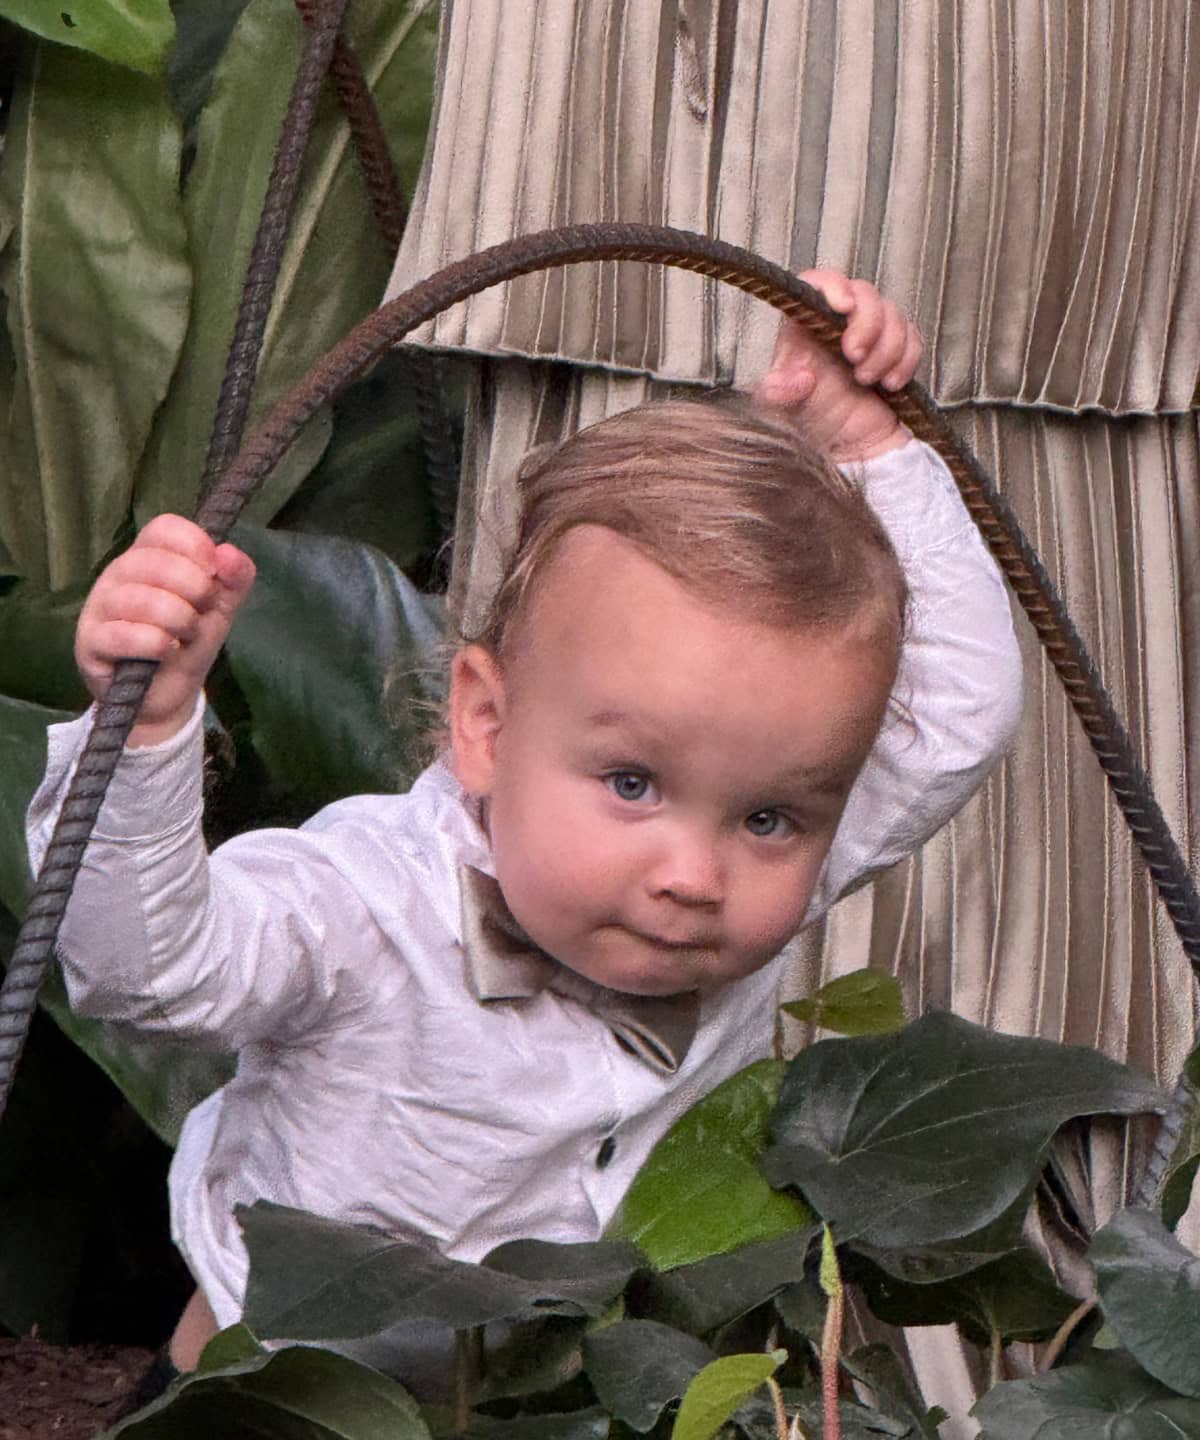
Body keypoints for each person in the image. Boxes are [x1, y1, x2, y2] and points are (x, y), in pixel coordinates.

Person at [26, 273, 1022, 1384]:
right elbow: (146, 972)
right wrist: (150, 728)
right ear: (487, 724)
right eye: (633, 783)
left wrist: (866, 443)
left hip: (556, 1398)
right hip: (280, 1400)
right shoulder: (367, 904)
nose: (694, 873)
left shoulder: (759, 863)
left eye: (769, 817)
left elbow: (957, 716)